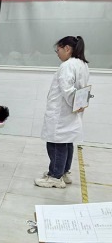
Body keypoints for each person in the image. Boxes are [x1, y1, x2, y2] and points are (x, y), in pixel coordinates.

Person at [35, 36, 90, 189]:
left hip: (61, 112)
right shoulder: (82, 64)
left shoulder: (67, 65)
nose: (57, 53)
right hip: (71, 111)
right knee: (66, 142)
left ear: (67, 48)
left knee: (56, 143)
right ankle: (63, 172)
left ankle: (55, 176)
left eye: (58, 50)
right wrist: (79, 104)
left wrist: (75, 102)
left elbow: (68, 89)